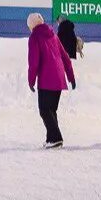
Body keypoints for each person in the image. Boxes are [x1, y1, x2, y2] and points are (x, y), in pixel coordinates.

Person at [27, 12, 76, 149]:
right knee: (51, 110)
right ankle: (51, 139)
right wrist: (71, 77)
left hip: (46, 78)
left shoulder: (34, 37)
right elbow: (65, 57)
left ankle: (56, 138)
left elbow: (34, 62)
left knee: (44, 110)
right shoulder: (53, 34)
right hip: (59, 78)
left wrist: (31, 80)